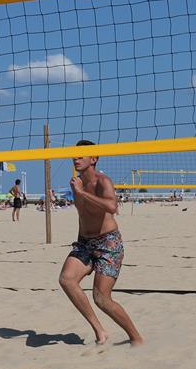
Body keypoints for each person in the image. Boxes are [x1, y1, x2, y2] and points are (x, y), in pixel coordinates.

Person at [58, 141, 143, 347]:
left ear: (93, 159)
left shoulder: (102, 181)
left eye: (81, 156)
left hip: (108, 243)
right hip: (85, 242)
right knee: (67, 280)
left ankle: (136, 338)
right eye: (74, 155)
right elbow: (82, 215)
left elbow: (112, 206)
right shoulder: (76, 182)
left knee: (101, 298)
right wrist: (80, 241)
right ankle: (100, 331)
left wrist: (81, 193)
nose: (75, 159)